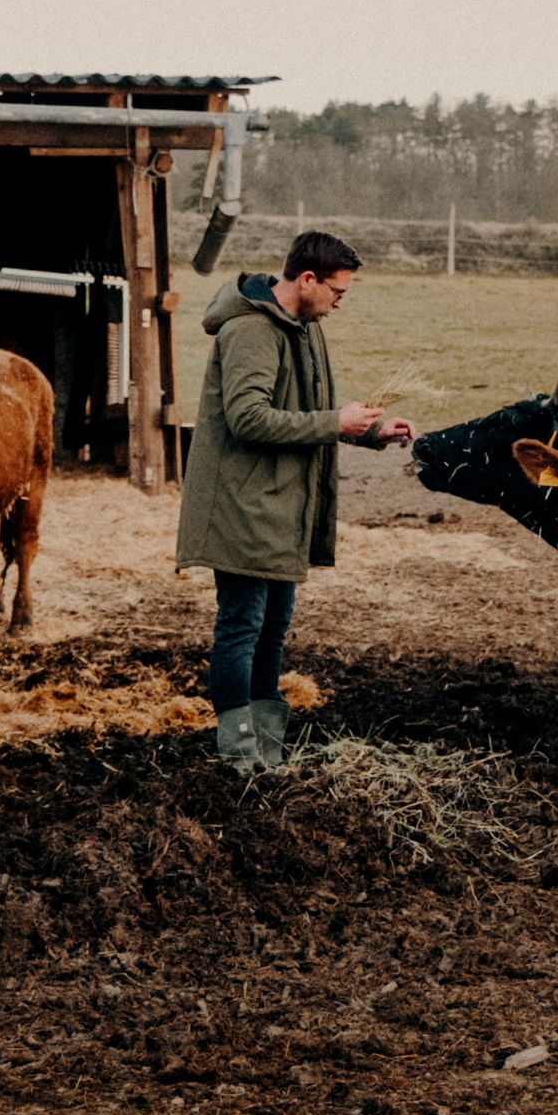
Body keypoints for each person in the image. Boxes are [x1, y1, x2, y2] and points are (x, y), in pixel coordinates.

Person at [173, 231, 415, 767]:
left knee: (273, 628)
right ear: (307, 280)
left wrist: (370, 432)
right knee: (242, 626)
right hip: (242, 505)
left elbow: (307, 412)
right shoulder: (252, 331)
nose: (338, 304)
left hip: (280, 506)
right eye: (337, 292)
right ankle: (239, 754)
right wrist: (335, 421)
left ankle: (267, 748)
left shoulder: (304, 328)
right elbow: (249, 417)